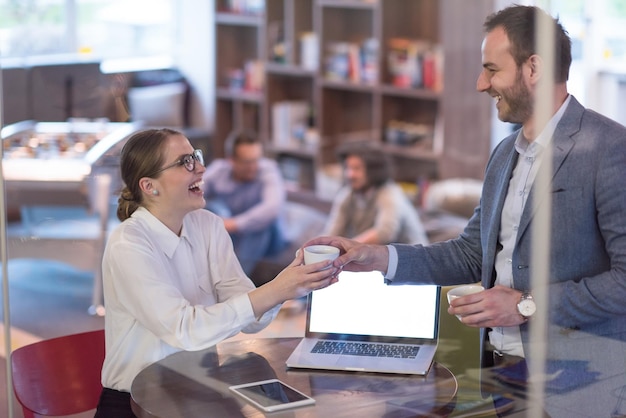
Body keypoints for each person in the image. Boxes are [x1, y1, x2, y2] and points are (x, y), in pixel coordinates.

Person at [306, 5, 626, 416]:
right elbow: (470, 254)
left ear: (534, 68)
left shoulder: (610, 149)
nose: (480, 83)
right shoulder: (504, 154)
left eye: (492, 70)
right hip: (503, 373)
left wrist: (525, 304)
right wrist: (378, 257)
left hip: (582, 387)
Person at [95, 128, 336, 417]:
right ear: (149, 186)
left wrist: (290, 284)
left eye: (195, 156)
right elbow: (184, 330)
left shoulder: (208, 225)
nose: (201, 168)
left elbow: (251, 319)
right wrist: (277, 289)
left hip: (197, 391)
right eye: (185, 162)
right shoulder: (129, 243)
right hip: (135, 402)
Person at [202, 129, 286, 275]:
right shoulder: (219, 170)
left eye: (257, 160)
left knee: (260, 225)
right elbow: (192, 192)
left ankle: (238, 279)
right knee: (208, 209)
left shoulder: (268, 170)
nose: (254, 167)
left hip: (270, 237)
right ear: (231, 160)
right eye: (247, 162)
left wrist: (233, 224)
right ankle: (204, 270)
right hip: (238, 234)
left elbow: (272, 208)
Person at [323, 143, 428, 245]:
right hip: (374, 257)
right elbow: (333, 232)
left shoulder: (389, 193)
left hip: (410, 257)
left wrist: (347, 248)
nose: (350, 174)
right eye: (347, 168)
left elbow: (384, 233)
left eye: (357, 168)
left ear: (374, 171)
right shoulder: (347, 195)